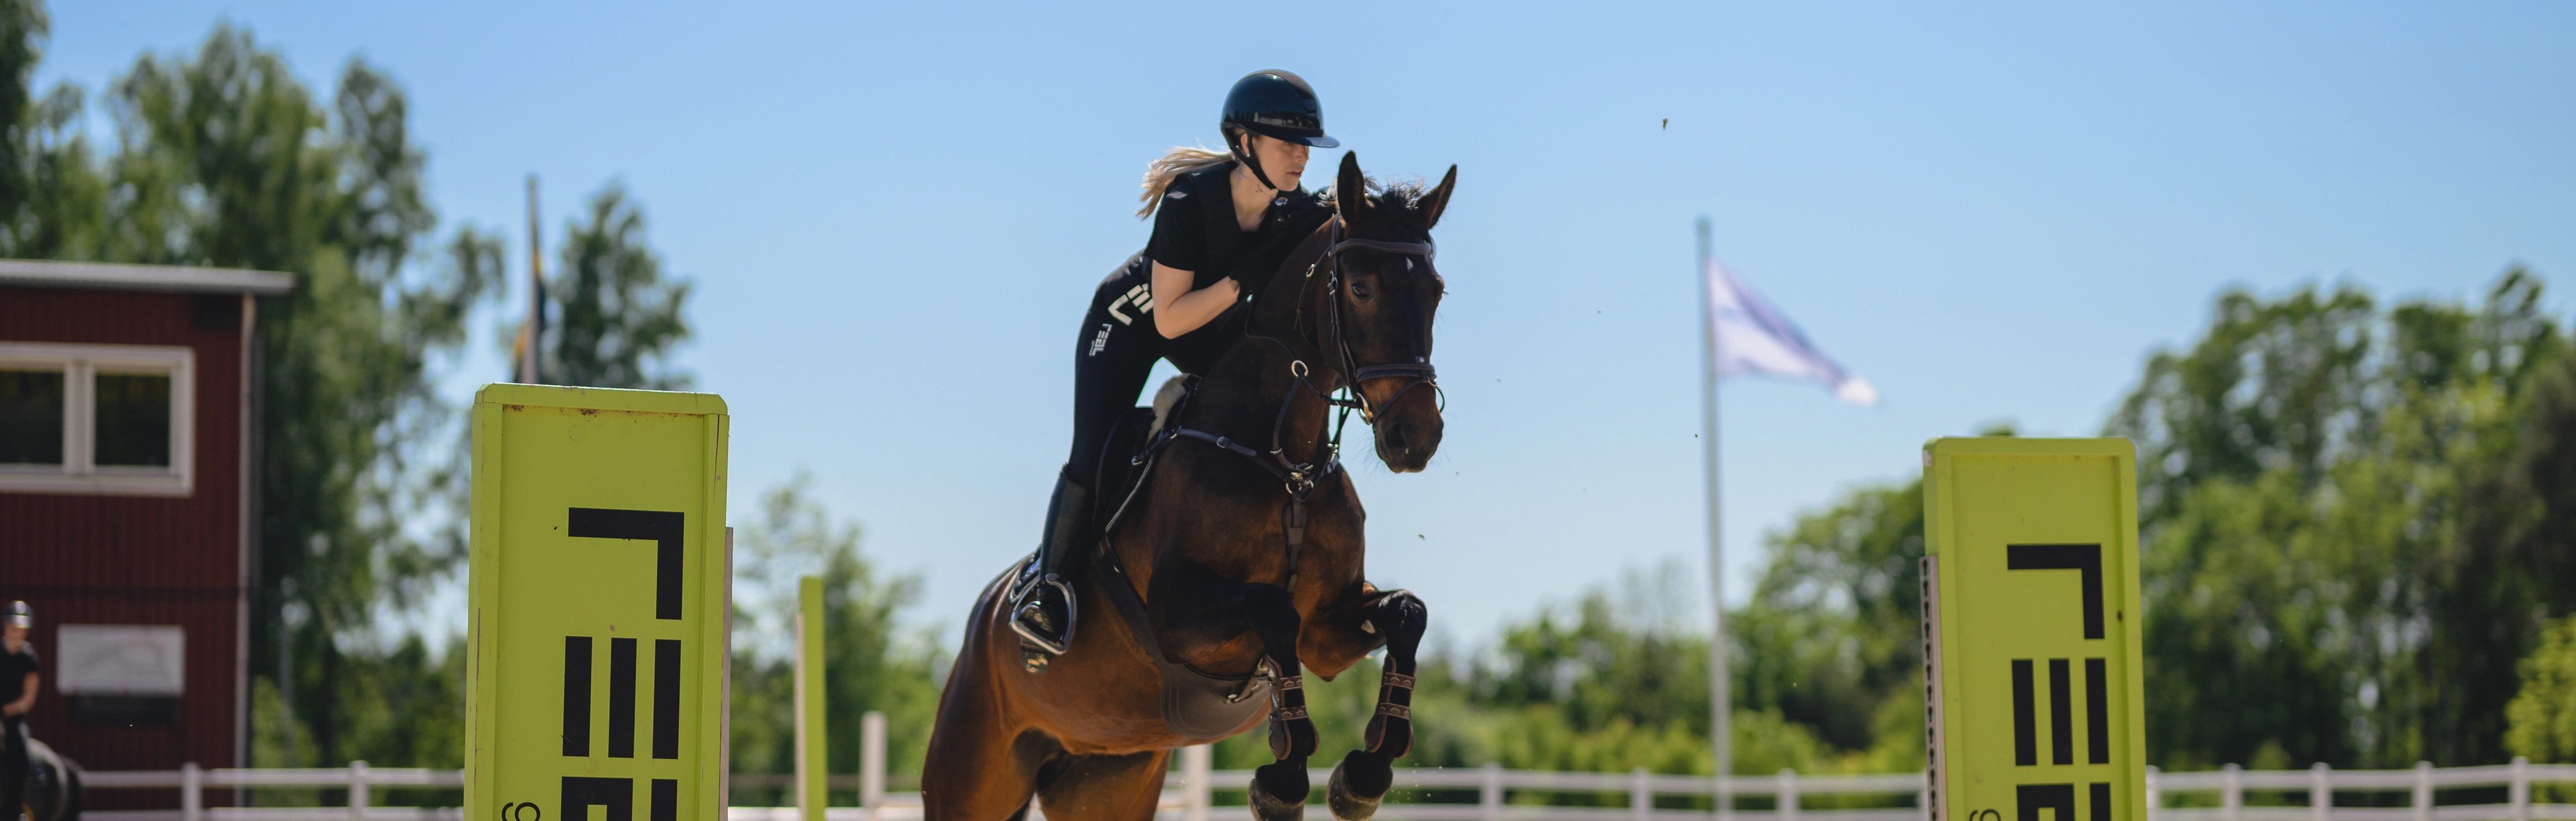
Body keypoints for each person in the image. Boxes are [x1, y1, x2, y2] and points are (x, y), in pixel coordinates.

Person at [1009, 70, 1343, 659]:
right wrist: (1244, 279)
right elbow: (1170, 320)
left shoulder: (1294, 208)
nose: (1299, 157)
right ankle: (1049, 587)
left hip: (1207, 324)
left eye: (1305, 147)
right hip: (1134, 322)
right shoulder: (1192, 199)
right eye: (1285, 143)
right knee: (1094, 447)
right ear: (1244, 144)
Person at [1, 601, 38, 821]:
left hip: (13, 717)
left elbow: (29, 697)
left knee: (22, 756)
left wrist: (11, 709)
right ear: (5, 627)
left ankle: (16, 810)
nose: (16, 632)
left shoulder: (29, 659)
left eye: (20, 628)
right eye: (12, 626)